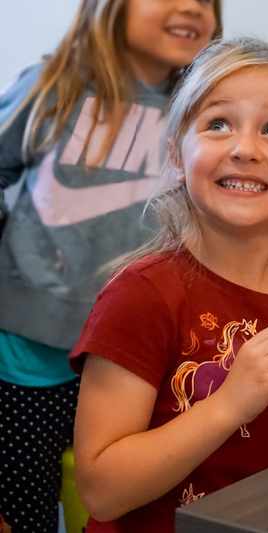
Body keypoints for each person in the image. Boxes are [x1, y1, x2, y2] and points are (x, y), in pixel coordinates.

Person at [69, 37, 268, 532]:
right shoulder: (140, 297)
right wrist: (229, 403)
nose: (244, 148)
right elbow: (101, 491)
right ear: (178, 157)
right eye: (218, 124)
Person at [0, 1, 220, 532]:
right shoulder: (55, 86)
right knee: (23, 514)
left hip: (135, 363)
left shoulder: (203, 109)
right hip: (29, 356)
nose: (191, 6)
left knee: (124, 508)